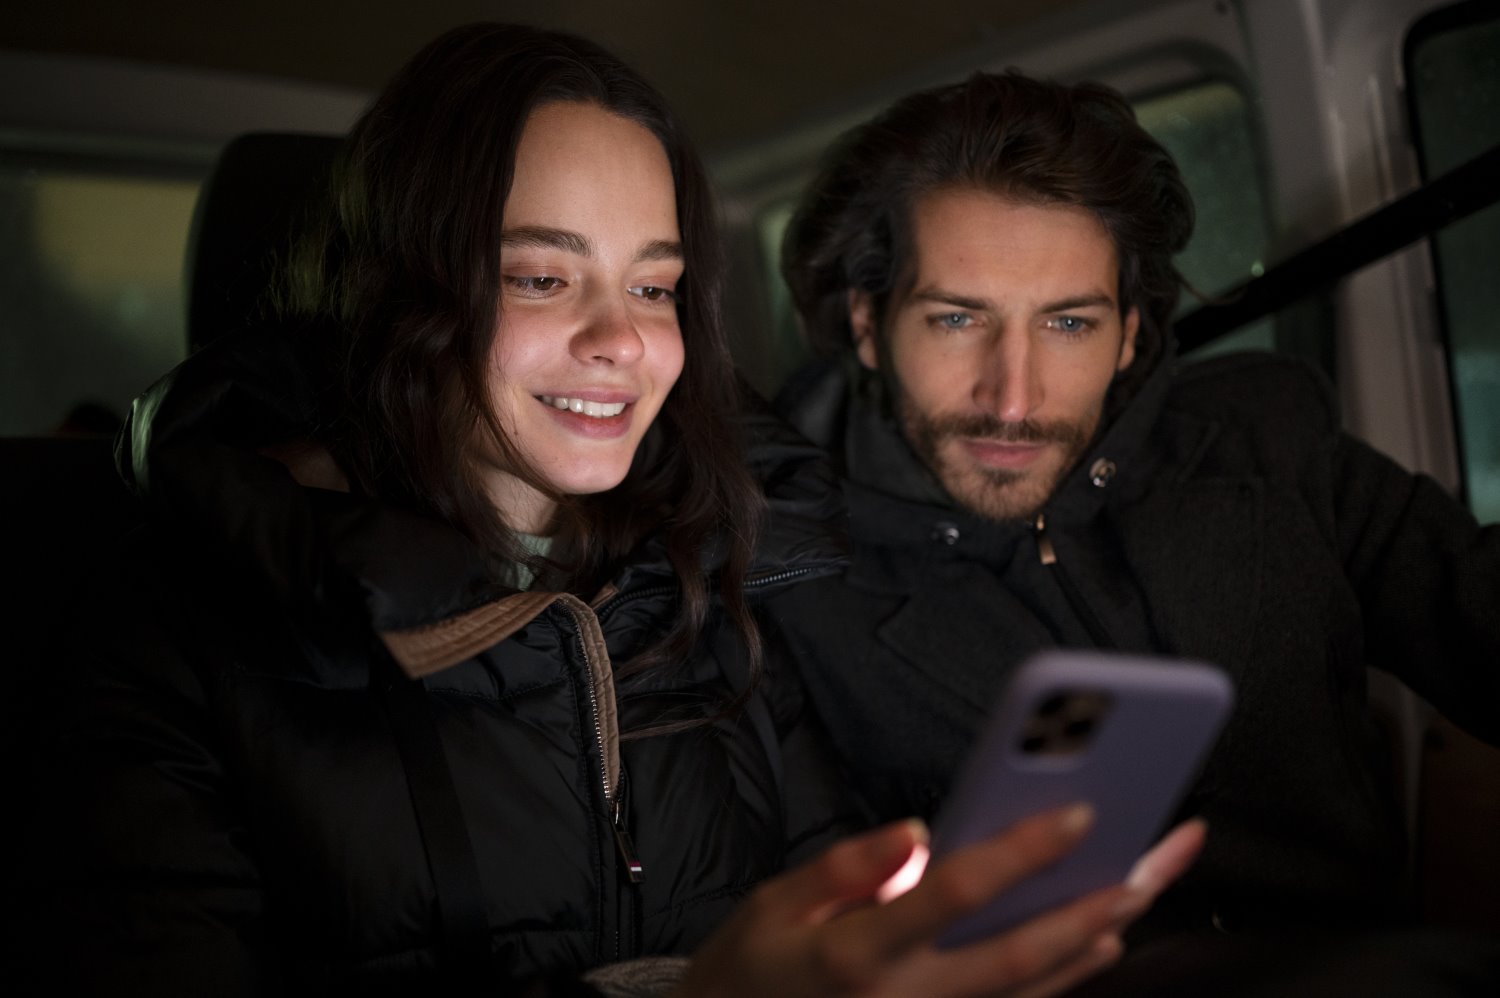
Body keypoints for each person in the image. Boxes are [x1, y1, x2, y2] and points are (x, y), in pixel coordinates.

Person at [22, 29, 1202, 998]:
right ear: (403, 287)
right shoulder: (167, 634)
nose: (622, 341)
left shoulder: (712, 589)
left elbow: (822, 892)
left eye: (653, 285)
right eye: (541, 276)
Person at [774, 69, 1500, 992]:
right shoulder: (785, 588)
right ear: (869, 324)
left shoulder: (1267, 442)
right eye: (958, 319)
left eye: (1068, 323)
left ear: (1128, 334)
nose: (1014, 397)